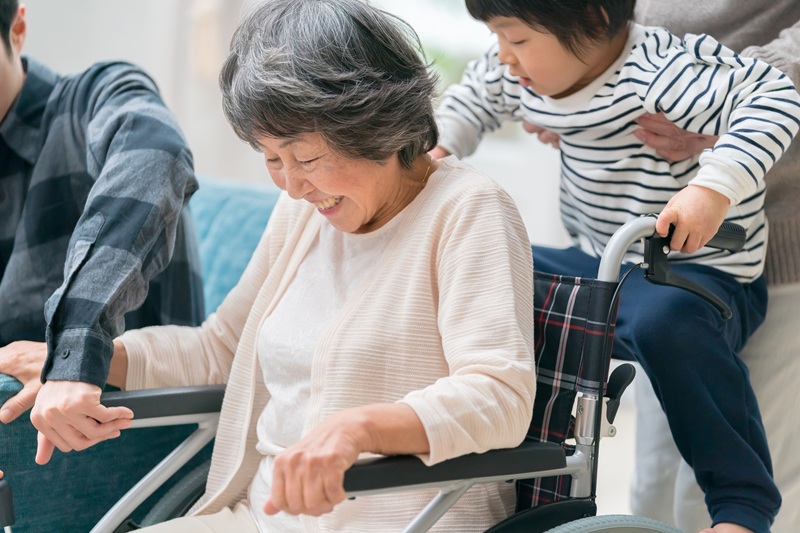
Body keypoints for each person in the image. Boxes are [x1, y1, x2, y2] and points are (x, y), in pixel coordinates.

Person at [0, 0, 537, 530]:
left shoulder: (467, 210)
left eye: (304, 158)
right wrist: (88, 358)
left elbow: (499, 393)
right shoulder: (303, 212)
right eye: (272, 159)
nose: (292, 185)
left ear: (376, 124)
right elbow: (223, 349)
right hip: (261, 519)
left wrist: (358, 429)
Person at [430, 1, 800, 532]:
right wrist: (437, 150)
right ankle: (500, 450)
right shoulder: (524, 68)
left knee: (665, 326)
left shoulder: (665, 73)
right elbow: (472, 100)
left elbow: (772, 97)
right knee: (494, 263)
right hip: (603, 256)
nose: (504, 57)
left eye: (516, 39)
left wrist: (713, 187)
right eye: (498, 38)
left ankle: (743, 503)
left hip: (695, 271)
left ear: (595, 20)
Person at [0, 0, 204, 460]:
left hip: (126, 442)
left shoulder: (98, 96)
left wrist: (73, 350)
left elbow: (157, 152)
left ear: (17, 30)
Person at [624, 3, 800, 533]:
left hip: (781, 234)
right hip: (666, 254)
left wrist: (725, 103)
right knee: (655, 486)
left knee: (753, 486)